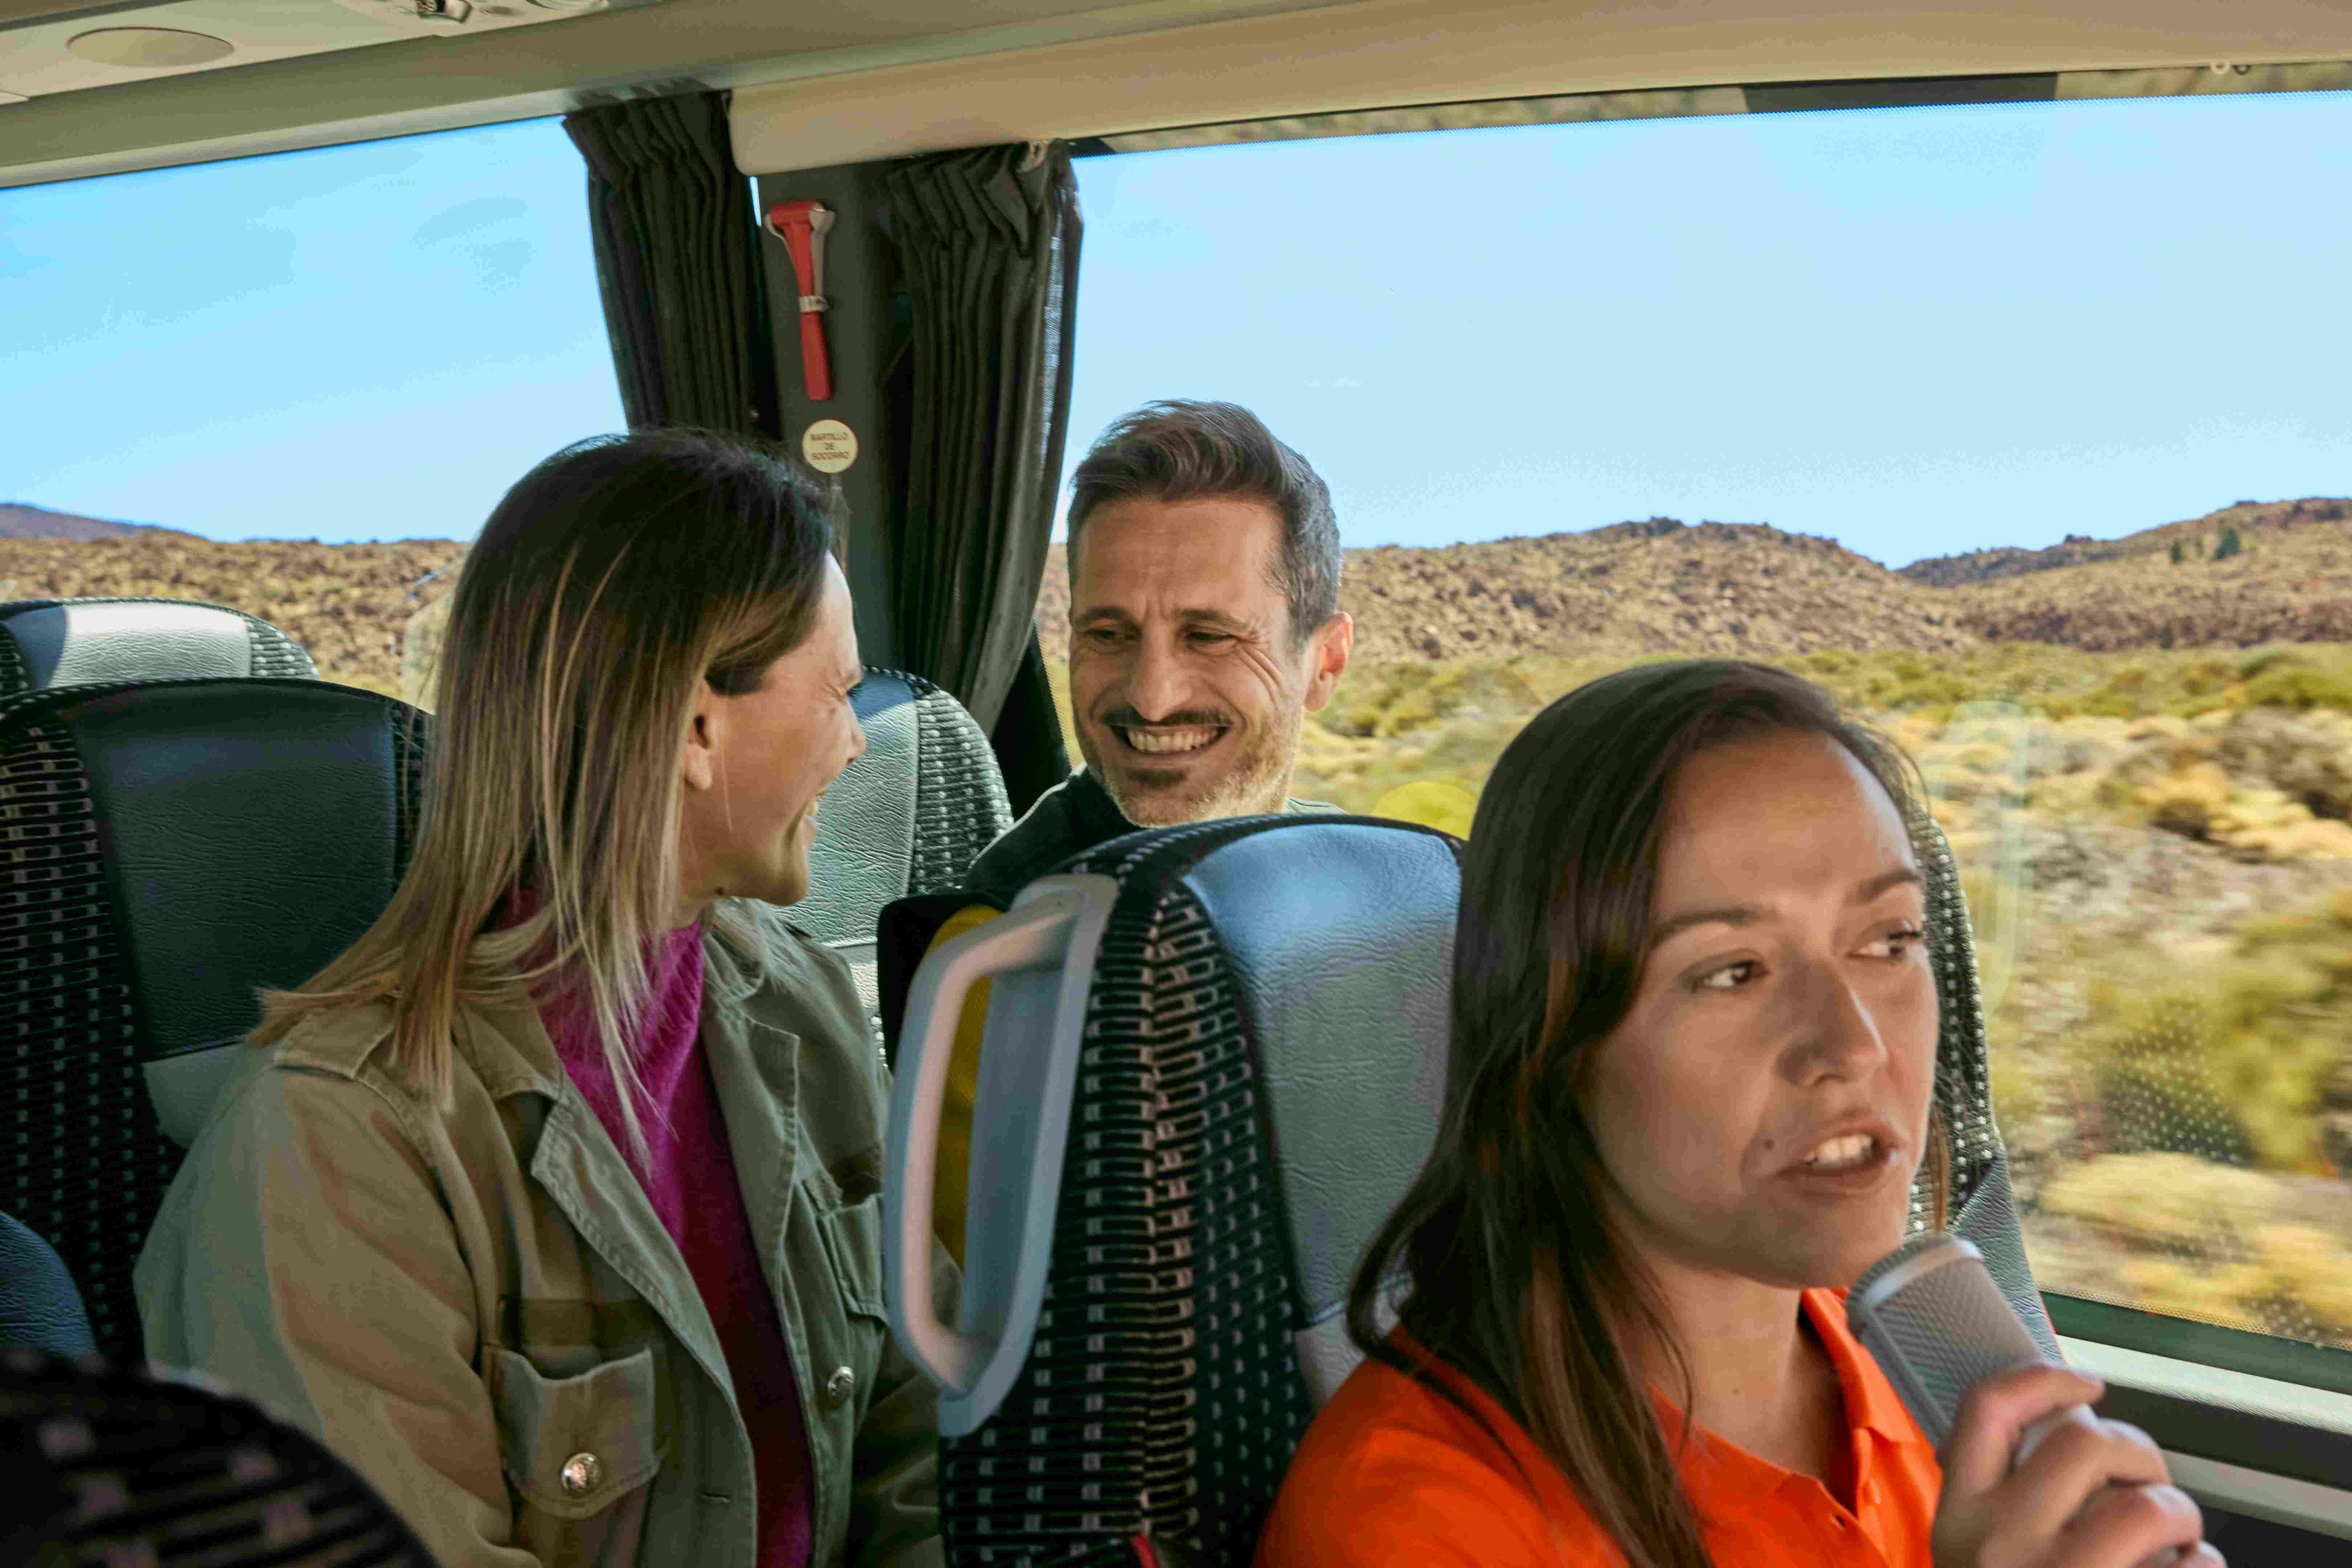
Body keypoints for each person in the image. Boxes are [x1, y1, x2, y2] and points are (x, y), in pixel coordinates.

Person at [136, 431, 953, 1568]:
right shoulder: (330, 1148)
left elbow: (914, 1451)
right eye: (836, 693)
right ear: (696, 726)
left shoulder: (803, 1007)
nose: (858, 745)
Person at [1257, 661, 2219, 1568]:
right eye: (1732, 971)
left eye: (1889, 940)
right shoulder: (1409, 1521)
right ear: (1553, 1045)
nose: (1854, 1046)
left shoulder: (1929, 1372)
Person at [910, 400, 1355, 1262]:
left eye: (1210, 635)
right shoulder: (1002, 956)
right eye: (1109, 635)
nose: (1151, 696)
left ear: (1324, 663)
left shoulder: (1378, 895)